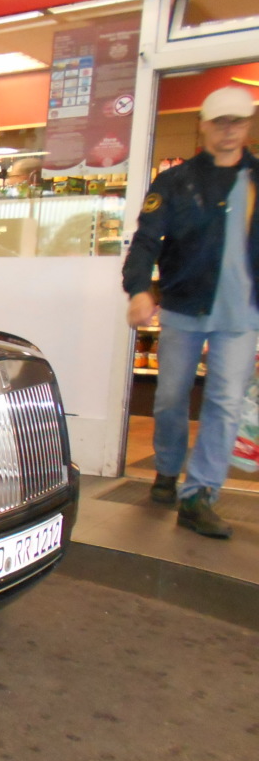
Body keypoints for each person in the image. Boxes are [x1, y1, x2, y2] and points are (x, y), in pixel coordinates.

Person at [123, 85, 259, 538]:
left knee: (224, 403)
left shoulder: (256, 179)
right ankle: (166, 469)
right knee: (170, 397)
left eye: (236, 122)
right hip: (183, 308)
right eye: (219, 122)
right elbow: (146, 239)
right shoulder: (175, 182)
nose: (228, 131)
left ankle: (199, 495)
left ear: (248, 125)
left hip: (241, 317)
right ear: (203, 125)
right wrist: (139, 289)